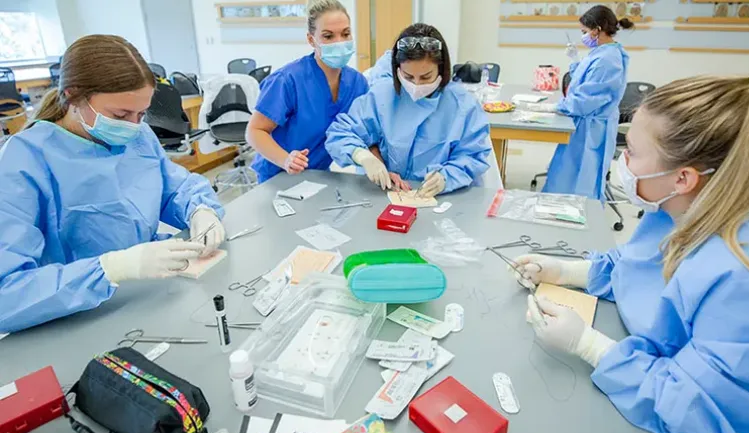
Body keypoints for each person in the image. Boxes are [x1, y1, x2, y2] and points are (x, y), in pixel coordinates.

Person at [517, 69, 749, 433]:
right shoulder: (684, 204)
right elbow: (644, 266)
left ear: (683, 177)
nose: (622, 163)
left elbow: (701, 411)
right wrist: (567, 272)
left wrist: (590, 346)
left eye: (631, 152)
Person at [0, 35, 225, 333]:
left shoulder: (138, 136)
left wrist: (199, 210)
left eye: (141, 114)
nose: (133, 125)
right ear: (73, 96)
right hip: (69, 318)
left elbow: (173, 188)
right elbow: (7, 294)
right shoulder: (24, 159)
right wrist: (112, 268)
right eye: (120, 115)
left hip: (146, 295)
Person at [325, 23, 490, 197]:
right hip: (386, 193)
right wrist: (364, 157)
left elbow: (472, 154)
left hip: (442, 197)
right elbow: (341, 133)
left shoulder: (463, 106)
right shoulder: (381, 96)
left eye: (426, 77)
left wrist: (446, 177)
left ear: (442, 69)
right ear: (397, 69)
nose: (416, 85)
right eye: (408, 76)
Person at [246, 0, 368, 183]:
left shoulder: (357, 83)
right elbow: (255, 131)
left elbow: (366, 130)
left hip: (319, 174)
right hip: (278, 175)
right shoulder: (288, 80)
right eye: (328, 36)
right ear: (311, 40)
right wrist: (286, 159)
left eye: (345, 34)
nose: (339, 42)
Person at [528, 5, 632, 201]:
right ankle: (556, 209)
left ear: (597, 30)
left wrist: (555, 107)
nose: (582, 36)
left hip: (592, 130)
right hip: (584, 124)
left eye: (584, 32)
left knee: (581, 183)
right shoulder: (602, 52)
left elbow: (586, 100)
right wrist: (575, 60)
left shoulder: (608, 60)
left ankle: (574, 215)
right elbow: (584, 81)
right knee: (565, 177)